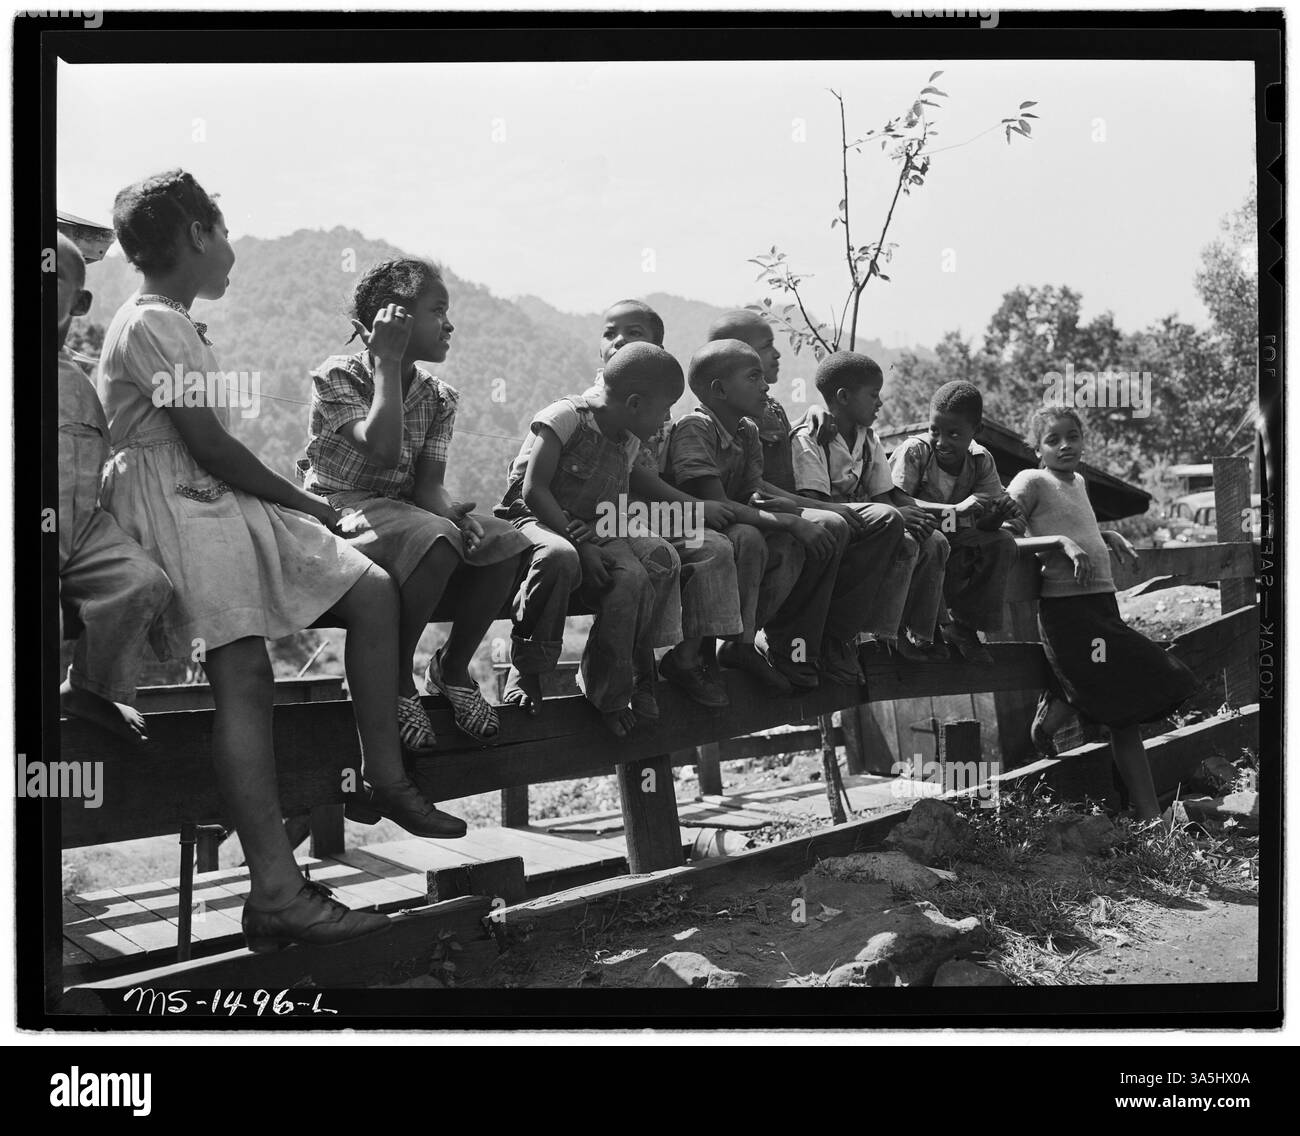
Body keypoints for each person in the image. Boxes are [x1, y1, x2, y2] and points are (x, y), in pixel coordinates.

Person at [97, 170, 460, 956]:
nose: (229, 247)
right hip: (178, 501)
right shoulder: (150, 324)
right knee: (246, 675)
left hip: (209, 494)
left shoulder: (176, 323)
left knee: (369, 592)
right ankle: (276, 891)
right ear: (197, 232)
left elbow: (214, 451)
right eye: (221, 231)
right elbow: (208, 444)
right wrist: (310, 504)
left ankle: (384, 777)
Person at [301, 258, 528, 752]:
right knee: (438, 539)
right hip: (338, 509)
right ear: (394, 322)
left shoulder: (439, 396)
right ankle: (396, 678)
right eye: (437, 311)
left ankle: (451, 669)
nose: (449, 324)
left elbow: (427, 487)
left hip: (406, 512)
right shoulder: (338, 376)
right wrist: (386, 362)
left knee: (505, 542)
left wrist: (450, 513)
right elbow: (381, 448)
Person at [1008, 406, 1198, 820]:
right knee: (1123, 697)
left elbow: (1080, 527)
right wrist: (1058, 542)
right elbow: (1006, 536)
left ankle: (1149, 816)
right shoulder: (1030, 480)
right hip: (1067, 613)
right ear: (1037, 449)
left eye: (1072, 436)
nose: (1065, 445)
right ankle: (1055, 718)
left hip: (1101, 604)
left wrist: (1107, 535)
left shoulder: (1078, 481)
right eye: (1053, 439)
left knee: (1119, 707)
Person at [496, 340, 684, 736]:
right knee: (559, 558)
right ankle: (528, 668)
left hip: (595, 527)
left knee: (633, 579)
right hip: (536, 520)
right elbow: (533, 490)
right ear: (634, 403)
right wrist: (579, 544)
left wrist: (598, 539)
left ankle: (611, 692)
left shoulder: (628, 440)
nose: (667, 419)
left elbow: (609, 505)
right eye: (664, 408)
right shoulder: (565, 417)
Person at [665, 339, 843, 692]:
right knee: (749, 538)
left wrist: (810, 511)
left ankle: (741, 642)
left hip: (731, 524)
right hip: (692, 528)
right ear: (719, 390)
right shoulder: (695, 429)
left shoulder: (746, 429)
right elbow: (717, 504)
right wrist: (792, 519)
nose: (765, 386)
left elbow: (753, 488)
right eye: (753, 378)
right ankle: (707, 649)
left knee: (791, 542)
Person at [55, 232, 173, 744]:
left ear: (80, 302)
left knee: (143, 582)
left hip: (83, 528)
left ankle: (92, 688)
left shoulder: (80, 376)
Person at [595, 299, 742, 709]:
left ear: (657, 348)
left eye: (633, 333)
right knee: (658, 561)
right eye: (610, 333)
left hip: (654, 517)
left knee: (714, 548)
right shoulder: (603, 399)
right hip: (613, 517)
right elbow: (635, 473)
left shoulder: (663, 402)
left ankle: (689, 659)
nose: (619, 340)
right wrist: (695, 507)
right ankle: (637, 673)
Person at [790, 350, 947, 666]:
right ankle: (881, 636)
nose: (880, 403)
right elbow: (818, 502)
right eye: (873, 395)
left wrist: (918, 516)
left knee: (936, 542)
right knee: (901, 539)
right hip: (832, 524)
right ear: (844, 397)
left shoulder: (868, 437)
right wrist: (896, 516)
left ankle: (915, 631)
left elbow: (884, 494)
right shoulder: (810, 437)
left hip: (869, 521)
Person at [889, 380, 1023, 665]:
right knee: (934, 544)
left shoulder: (980, 460)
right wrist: (955, 509)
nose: (941, 441)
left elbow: (985, 525)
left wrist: (999, 513)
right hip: (918, 539)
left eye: (953, 434)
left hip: (956, 541)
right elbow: (896, 500)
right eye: (934, 430)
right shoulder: (915, 452)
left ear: (976, 431)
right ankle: (922, 631)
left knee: (1002, 542)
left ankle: (964, 627)